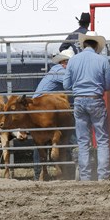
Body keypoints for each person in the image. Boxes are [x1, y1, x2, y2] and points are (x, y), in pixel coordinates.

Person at [63, 31, 110, 181]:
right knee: (102, 139)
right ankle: (103, 176)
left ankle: (85, 177)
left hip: (79, 100)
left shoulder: (73, 61)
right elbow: (108, 85)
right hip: (96, 99)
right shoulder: (103, 60)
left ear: (83, 44)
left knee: (83, 141)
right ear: (96, 45)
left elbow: (66, 85)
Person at [32, 48, 74, 180]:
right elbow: (70, 85)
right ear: (65, 62)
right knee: (42, 139)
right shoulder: (60, 71)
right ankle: (57, 169)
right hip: (42, 107)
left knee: (39, 140)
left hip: (41, 107)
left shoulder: (56, 70)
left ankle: (39, 172)